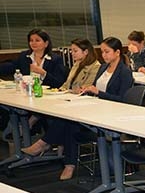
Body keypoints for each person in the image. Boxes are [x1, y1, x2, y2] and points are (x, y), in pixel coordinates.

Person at [21, 37, 133, 181]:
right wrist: (88, 90)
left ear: (117, 52)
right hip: (97, 107)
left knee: (69, 123)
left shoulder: (124, 72)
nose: (104, 55)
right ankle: (67, 162)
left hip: (113, 113)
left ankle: (49, 147)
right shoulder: (104, 68)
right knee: (69, 119)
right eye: (102, 52)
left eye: (107, 52)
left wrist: (99, 93)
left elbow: (123, 100)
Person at [0, 28, 67, 88]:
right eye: (31, 40)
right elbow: (10, 67)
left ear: (46, 43)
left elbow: (59, 83)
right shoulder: (24, 56)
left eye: (37, 40)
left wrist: (43, 73)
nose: (33, 43)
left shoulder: (55, 59)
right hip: (28, 92)